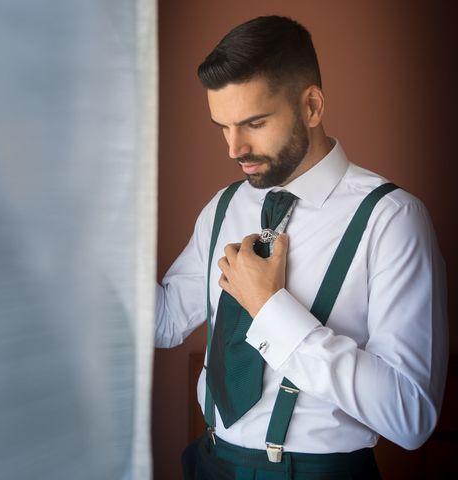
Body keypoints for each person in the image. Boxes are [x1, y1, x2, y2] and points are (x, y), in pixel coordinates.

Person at [154, 15, 448, 480]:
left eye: (254, 123)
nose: (234, 149)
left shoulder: (392, 220)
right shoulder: (222, 207)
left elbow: (411, 418)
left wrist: (270, 308)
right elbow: (167, 320)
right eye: (222, 127)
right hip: (209, 464)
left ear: (311, 105)